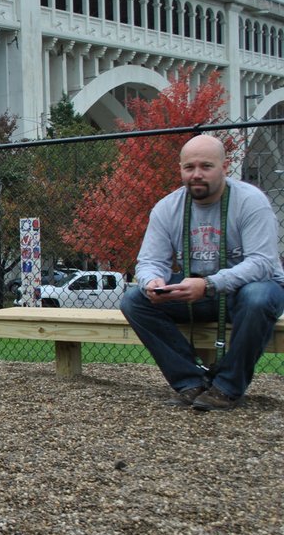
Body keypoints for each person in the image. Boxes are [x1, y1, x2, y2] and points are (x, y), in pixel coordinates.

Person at [120, 134, 284, 411]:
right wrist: (152, 282)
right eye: (189, 167)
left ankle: (227, 388)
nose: (196, 174)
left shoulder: (250, 201)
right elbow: (149, 261)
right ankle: (190, 382)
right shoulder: (166, 208)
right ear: (181, 168)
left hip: (249, 291)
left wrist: (208, 284)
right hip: (198, 292)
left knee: (256, 296)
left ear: (224, 166)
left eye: (206, 166)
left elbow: (261, 263)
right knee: (134, 301)